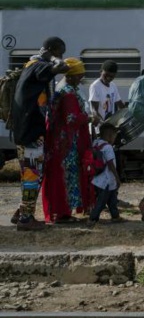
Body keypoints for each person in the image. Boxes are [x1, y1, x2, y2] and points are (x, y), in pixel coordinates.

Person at [11, 37, 69, 231]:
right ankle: (26, 219)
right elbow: (61, 67)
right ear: (51, 50)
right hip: (30, 132)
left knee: (33, 172)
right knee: (31, 174)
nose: (61, 57)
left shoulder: (32, 66)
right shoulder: (38, 66)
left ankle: (22, 211)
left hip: (28, 130)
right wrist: (54, 59)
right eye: (60, 52)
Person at [42, 58, 95, 224]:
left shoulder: (62, 89)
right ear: (71, 76)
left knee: (60, 176)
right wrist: (90, 117)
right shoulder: (69, 93)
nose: (81, 79)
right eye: (79, 76)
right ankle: (62, 213)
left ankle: (61, 212)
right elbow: (71, 118)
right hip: (66, 145)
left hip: (60, 142)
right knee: (66, 177)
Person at [88, 122, 122, 226]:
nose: (114, 139)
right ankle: (93, 218)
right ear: (109, 135)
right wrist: (117, 178)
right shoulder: (108, 147)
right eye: (114, 136)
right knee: (102, 201)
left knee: (112, 199)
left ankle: (115, 216)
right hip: (106, 180)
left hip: (98, 179)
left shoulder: (96, 143)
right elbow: (110, 163)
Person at [89, 60, 125, 124]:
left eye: (112, 77)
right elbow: (94, 111)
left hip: (110, 124)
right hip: (101, 126)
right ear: (101, 71)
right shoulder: (95, 86)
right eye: (106, 75)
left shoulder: (113, 85)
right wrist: (103, 124)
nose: (108, 78)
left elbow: (120, 104)